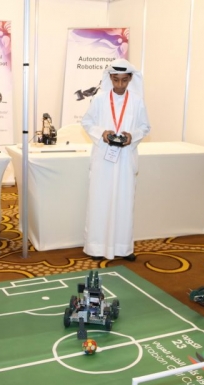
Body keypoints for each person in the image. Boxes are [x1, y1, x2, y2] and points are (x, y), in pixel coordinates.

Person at [81, 58, 151, 261]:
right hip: (103, 158)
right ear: (110, 78)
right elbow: (86, 122)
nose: (120, 85)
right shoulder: (100, 99)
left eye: (124, 80)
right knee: (100, 201)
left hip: (126, 158)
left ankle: (123, 248)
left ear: (130, 79)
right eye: (116, 80)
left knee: (124, 202)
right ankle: (96, 248)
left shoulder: (137, 101)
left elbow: (145, 127)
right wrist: (101, 133)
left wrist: (132, 136)